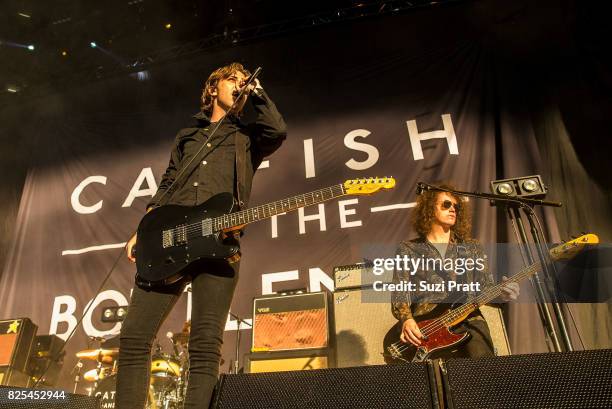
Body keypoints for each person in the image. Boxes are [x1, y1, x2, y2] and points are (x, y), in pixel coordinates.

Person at [116, 62, 287, 408]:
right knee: (134, 338)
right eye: (233, 81)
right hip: (169, 240)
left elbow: (277, 131)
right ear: (213, 88)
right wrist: (144, 227)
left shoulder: (248, 135)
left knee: (206, 343)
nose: (240, 85)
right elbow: (167, 185)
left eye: (244, 81)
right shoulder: (187, 135)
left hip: (218, 244)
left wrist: (256, 93)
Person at [391, 184, 519, 358]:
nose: (452, 209)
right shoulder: (409, 249)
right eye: (446, 205)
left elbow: (485, 288)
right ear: (429, 209)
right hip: (427, 327)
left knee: (485, 370)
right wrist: (407, 320)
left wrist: (503, 294)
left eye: (455, 206)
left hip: (469, 319)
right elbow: (400, 291)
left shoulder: (471, 247)